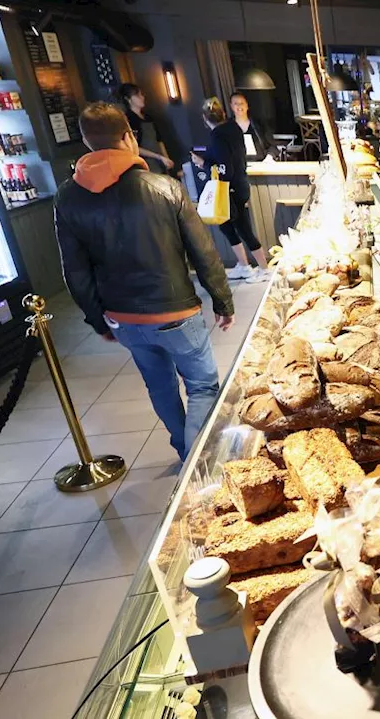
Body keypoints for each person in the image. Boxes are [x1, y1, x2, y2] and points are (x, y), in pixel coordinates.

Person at [54, 102, 235, 462]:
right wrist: (222, 301)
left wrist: (96, 319)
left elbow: (74, 270)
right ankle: (196, 462)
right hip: (176, 311)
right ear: (128, 137)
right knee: (201, 386)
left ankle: (185, 449)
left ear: (87, 141)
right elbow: (204, 251)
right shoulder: (164, 187)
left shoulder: (67, 197)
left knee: (160, 386)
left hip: (123, 318)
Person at [191, 97, 268, 282]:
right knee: (227, 227)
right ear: (224, 113)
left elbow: (225, 167)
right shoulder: (233, 128)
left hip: (229, 190)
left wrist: (204, 164)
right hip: (239, 185)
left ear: (204, 118)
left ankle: (264, 269)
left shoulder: (218, 135)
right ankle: (244, 265)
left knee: (242, 228)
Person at [117, 83, 175, 174]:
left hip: (160, 161)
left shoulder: (148, 117)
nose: (142, 97)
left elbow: (159, 140)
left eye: (141, 94)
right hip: (146, 164)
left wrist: (165, 157)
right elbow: (134, 147)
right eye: (137, 95)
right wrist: (158, 157)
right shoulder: (128, 120)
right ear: (128, 99)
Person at [229, 91, 274, 162]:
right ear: (231, 106)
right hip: (237, 166)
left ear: (247, 105)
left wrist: (269, 157)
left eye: (242, 103)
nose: (239, 106)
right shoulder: (227, 127)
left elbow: (272, 146)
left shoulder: (259, 124)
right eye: (236, 103)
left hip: (261, 164)